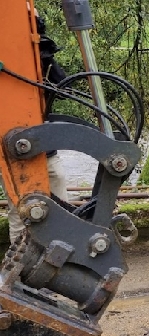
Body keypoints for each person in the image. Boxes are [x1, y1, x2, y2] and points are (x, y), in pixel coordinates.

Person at [0, 7, 68, 244]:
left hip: (43, 145)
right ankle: (20, 268)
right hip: (10, 149)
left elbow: (63, 86)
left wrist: (43, 51)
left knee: (59, 202)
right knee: (20, 212)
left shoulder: (38, 58)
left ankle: (62, 257)